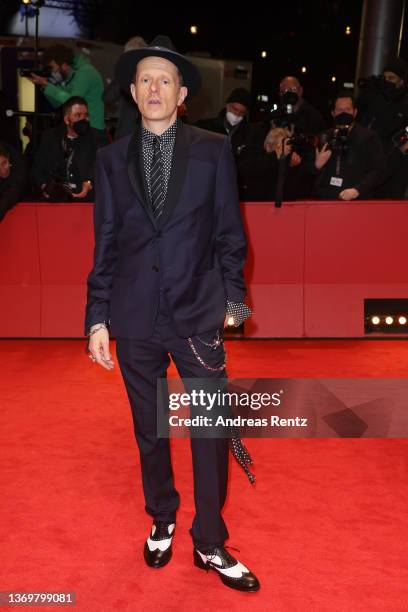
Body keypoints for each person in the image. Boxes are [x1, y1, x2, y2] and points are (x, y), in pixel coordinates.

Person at [85, 35, 259, 592]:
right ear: (133, 94)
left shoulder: (212, 150)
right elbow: (105, 243)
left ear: (182, 93)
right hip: (134, 317)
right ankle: (161, 514)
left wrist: (233, 295)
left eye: (165, 80)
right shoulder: (110, 160)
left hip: (197, 313)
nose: (154, 88)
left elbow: (231, 234)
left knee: (211, 430)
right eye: (145, 80)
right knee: (149, 431)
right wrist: (96, 318)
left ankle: (209, 539)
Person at [31, 96, 109, 201]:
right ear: (67, 119)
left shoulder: (97, 137)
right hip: (56, 200)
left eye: (86, 115)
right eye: (78, 115)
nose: (84, 119)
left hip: (87, 198)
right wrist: (44, 186)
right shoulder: (51, 137)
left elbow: (104, 165)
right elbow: (38, 167)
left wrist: (89, 183)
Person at [310, 92, 384, 200]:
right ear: (333, 113)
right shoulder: (324, 137)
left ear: (355, 112)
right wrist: (316, 166)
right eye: (340, 110)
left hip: (357, 201)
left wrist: (358, 190)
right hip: (326, 201)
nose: (344, 113)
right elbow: (307, 172)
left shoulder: (369, 137)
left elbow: (379, 169)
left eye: (347, 109)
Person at [27, 44, 105, 130]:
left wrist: (48, 86)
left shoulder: (85, 72)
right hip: (80, 129)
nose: (52, 71)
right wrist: (44, 85)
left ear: (63, 64)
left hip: (93, 129)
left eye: (52, 67)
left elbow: (73, 101)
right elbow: (56, 104)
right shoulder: (72, 76)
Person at [358, 57, 408, 151]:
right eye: (385, 77)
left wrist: (393, 148)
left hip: (390, 157)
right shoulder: (376, 96)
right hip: (365, 152)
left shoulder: (405, 103)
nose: (387, 81)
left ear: (401, 81)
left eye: (391, 78)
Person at [103, 35, 147, 140]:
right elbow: (107, 97)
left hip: (133, 137)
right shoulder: (127, 76)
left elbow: (108, 97)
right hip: (128, 137)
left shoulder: (148, 76)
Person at [195, 87, 252, 157]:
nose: (237, 114)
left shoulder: (248, 135)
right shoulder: (206, 127)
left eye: (241, 112)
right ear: (227, 105)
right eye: (235, 109)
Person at [0, 141, 27, 222]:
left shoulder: (19, 165)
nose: (2, 170)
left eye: (4, 163)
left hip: (23, 209)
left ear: (8, 157)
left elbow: (15, 188)